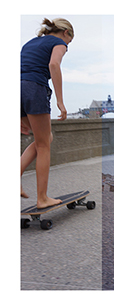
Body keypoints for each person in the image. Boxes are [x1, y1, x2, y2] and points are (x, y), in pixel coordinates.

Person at [20, 18, 73, 208]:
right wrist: (60, 101)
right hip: (34, 88)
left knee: (44, 138)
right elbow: (53, 65)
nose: (67, 46)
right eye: (70, 41)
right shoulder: (59, 43)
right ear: (66, 33)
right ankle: (42, 198)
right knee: (44, 145)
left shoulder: (30, 43)